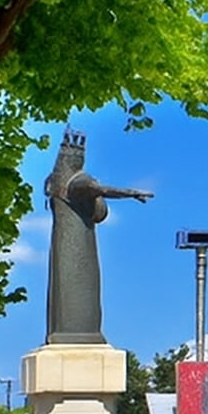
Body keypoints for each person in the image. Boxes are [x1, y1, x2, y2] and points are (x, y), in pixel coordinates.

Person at [44, 129, 152, 344]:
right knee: (79, 288)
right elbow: (101, 190)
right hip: (78, 246)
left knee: (65, 289)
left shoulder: (55, 183)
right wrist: (131, 193)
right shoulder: (77, 182)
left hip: (70, 243)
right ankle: (75, 330)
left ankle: (68, 330)